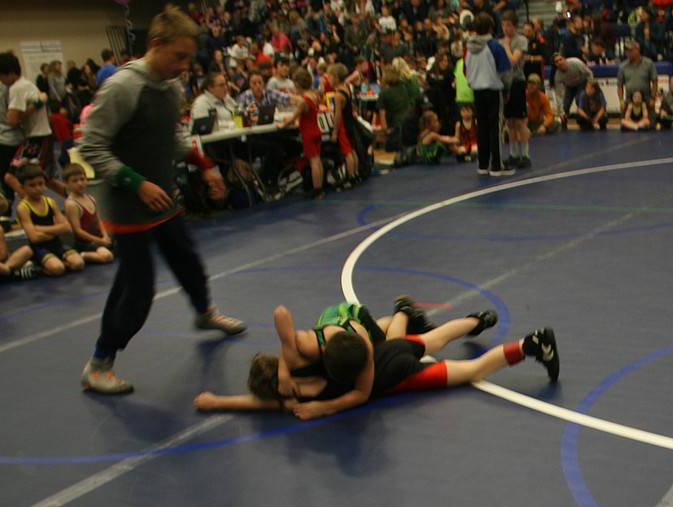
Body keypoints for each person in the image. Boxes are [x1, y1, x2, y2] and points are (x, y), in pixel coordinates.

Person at [77, 5, 247, 395]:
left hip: (160, 197)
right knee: (136, 288)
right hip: (128, 203)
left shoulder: (170, 86)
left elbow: (169, 139)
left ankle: (204, 313)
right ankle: (100, 362)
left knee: (186, 257)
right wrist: (136, 183)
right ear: (156, 45)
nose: (184, 66)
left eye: (189, 57)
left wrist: (205, 165)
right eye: (179, 57)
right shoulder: (123, 87)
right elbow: (90, 146)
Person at [194, 301, 559, 419]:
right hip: (386, 351)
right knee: (436, 337)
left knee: (472, 371)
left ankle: (531, 345)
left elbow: (360, 396)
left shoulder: (297, 394)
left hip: (396, 373)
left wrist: (320, 409)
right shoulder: (300, 355)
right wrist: (215, 401)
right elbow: (281, 318)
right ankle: (478, 320)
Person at [0, 51, 64, 200]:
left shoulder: (16, 88)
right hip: (39, 135)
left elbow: (12, 120)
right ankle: (78, 201)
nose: (0, 80)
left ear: (10, 73)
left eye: (0, 76)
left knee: (11, 177)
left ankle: (35, 207)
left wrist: (36, 104)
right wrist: (38, 103)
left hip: (38, 137)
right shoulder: (26, 83)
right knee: (46, 179)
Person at [465, 12, 514, 176]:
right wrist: (507, 89)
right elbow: (506, 71)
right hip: (493, 90)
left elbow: (467, 71)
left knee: (482, 127)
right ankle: (496, 165)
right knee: (495, 128)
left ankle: (483, 163)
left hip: (477, 91)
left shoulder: (469, 48)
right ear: (491, 27)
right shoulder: (494, 46)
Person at [14, 162, 84, 276]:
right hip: (39, 248)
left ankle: (57, 263)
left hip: (57, 244)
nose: (37, 188)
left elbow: (66, 227)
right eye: (32, 185)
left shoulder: (50, 202)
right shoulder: (23, 208)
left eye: (40, 184)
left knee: (78, 264)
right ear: (22, 187)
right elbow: (35, 238)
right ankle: (39, 267)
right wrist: (56, 230)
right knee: (57, 269)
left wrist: (38, 228)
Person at [277, 67, 326, 199]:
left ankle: (317, 190)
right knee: (318, 161)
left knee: (313, 161)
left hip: (308, 133)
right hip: (316, 130)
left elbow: (294, 117)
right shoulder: (314, 96)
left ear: (297, 84)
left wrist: (282, 125)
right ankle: (320, 187)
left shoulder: (304, 100)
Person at [62, 163, 114, 264]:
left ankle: (101, 248)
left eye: (82, 179)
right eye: (75, 181)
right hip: (84, 242)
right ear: (66, 184)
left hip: (97, 238)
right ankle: (82, 255)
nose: (80, 183)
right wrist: (100, 241)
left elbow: (99, 221)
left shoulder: (91, 198)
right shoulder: (71, 204)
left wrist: (105, 236)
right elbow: (78, 231)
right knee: (107, 256)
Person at [501, 10, 532, 168]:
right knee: (509, 122)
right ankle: (513, 154)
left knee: (520, 121)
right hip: (505, 84)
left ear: (515, 26)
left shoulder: (521, 40)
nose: (506, 29)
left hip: (517, 82)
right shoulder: (500, 42)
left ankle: (525, 155)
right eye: (503, 26)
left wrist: (506, 46)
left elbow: (513, 61)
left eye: (508, 26)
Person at [616, 41, 659, 124]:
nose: (628, 53)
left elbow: (655, 82)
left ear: (637, 50)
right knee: (623, 123)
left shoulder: (648, 63)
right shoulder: (623, 67)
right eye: (627, 51)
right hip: (629, 101)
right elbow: (619, 86)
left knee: (651, 124)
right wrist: (621, 102)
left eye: (631, 51)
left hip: (646, 100)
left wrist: (653, 98)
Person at [552, 54, 594, 127]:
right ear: (555, 65)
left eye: (560, 60)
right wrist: (561, 111)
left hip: (582, 83)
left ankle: (586, 121)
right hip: (570, 86)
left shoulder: (575, 63)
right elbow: (558, 94)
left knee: (579, 99)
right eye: (556, 62)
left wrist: (589, 86)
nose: (559, 62)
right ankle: (564, 123)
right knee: (565, 106)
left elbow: (589, 73)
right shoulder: (557, 75)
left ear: (565, 59)